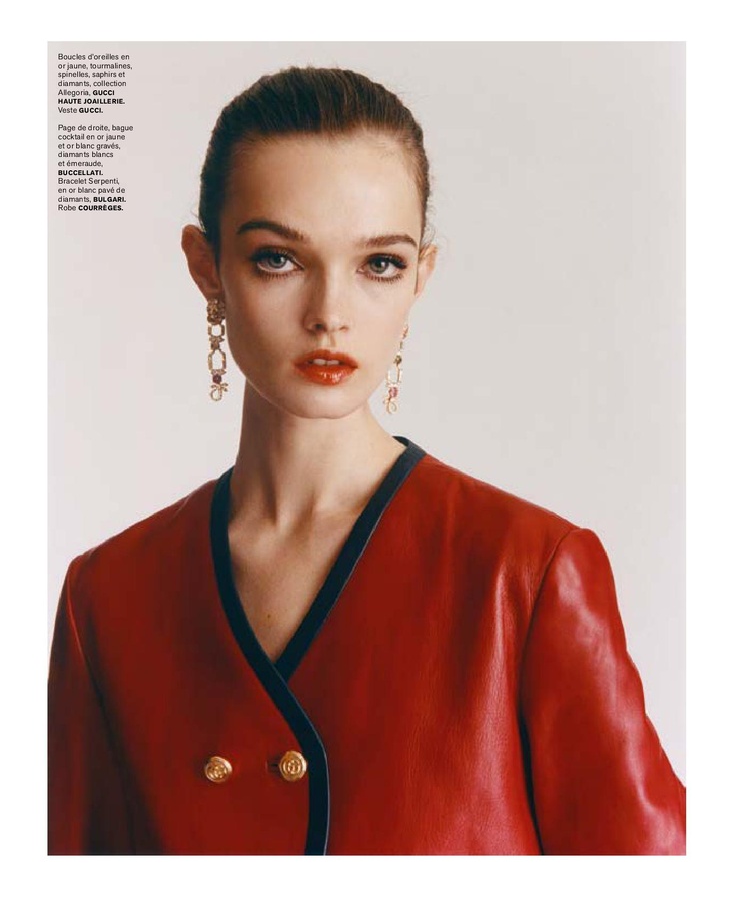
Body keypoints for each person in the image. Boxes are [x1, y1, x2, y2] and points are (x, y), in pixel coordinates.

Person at [47, 65, 686, 855]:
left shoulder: (525, 573)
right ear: (207, 267)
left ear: (421, 277)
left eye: (379, 263)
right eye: (278, 259)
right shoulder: (107, 597)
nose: (330, 315)